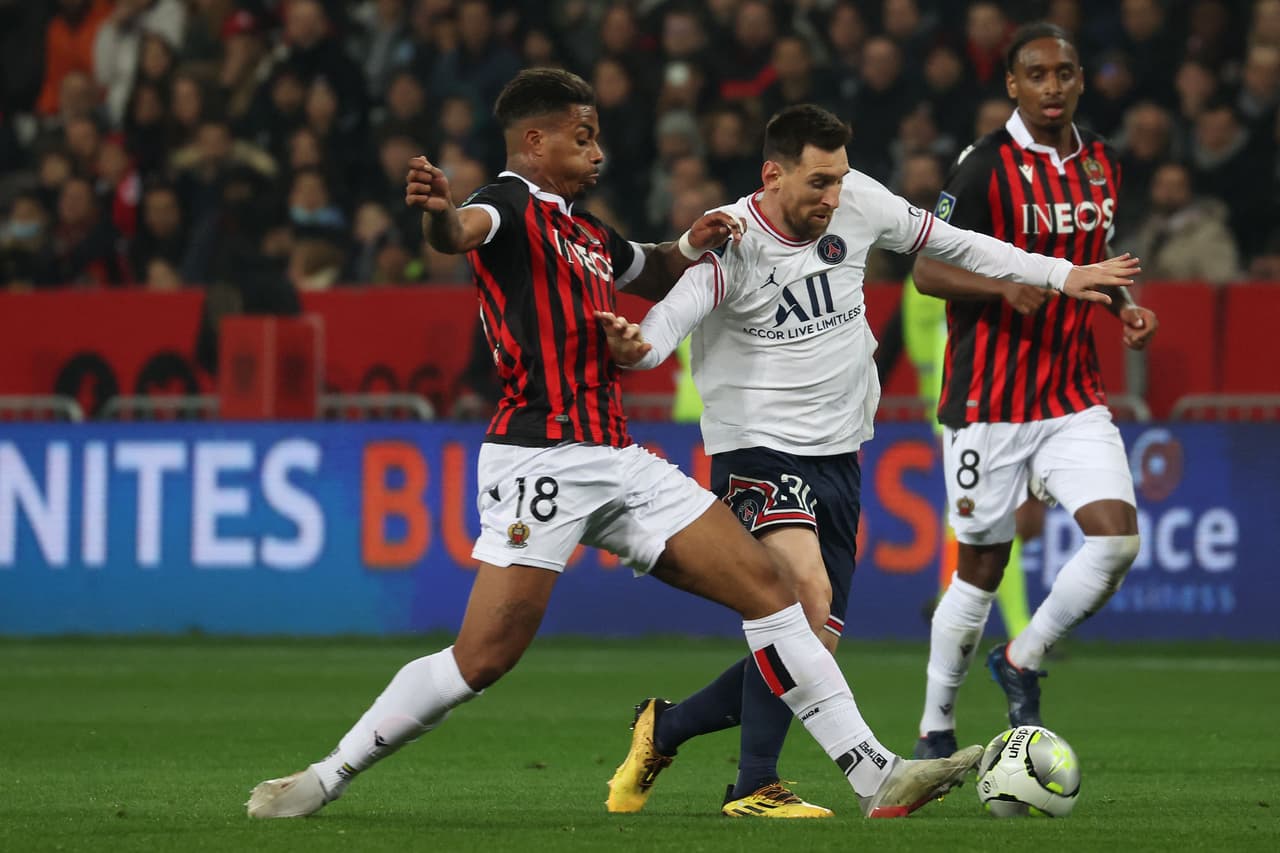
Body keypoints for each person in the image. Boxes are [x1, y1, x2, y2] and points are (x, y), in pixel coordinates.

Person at [245, 69, 985, 821]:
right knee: (483, 658)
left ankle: (874, 773)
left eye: (596, 135)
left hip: (619, 459)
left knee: (773, 590)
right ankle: (327, 775)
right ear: (535, 142)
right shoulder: (507, 207)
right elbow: (459, 234)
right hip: (541, 460)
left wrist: (692, 240)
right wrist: (439, 215)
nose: (597, 151)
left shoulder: (585, 232)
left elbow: (654, 265)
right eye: (582, 136)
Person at [595, 103, 1140, 818]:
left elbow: (958, 242)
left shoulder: (861, 202)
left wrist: (1064, 273)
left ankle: (666, 727)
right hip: (756, 451)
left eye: (839, 179)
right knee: (802, 599)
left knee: (808, 647)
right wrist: (639, 345)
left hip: (839, 455)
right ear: (772, 175)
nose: (832, 197)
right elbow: (669, 318)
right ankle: (763, 783)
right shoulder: (731, 242)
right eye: (818, 182)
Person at [908, 23, 1159, 761]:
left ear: (1081, 80)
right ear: (1012, 85)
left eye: (1066, 73)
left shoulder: (1103, 163)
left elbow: (1093, 263)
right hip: (987, 401)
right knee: (980, 567)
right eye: (1037, 75)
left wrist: (1124, 306)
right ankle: (935, 727)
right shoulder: (985, 167)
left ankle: (1022, 656)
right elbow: (925, 269)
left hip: (1072, 395)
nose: (1053, 87)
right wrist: (999, 286)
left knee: (1116, 539)